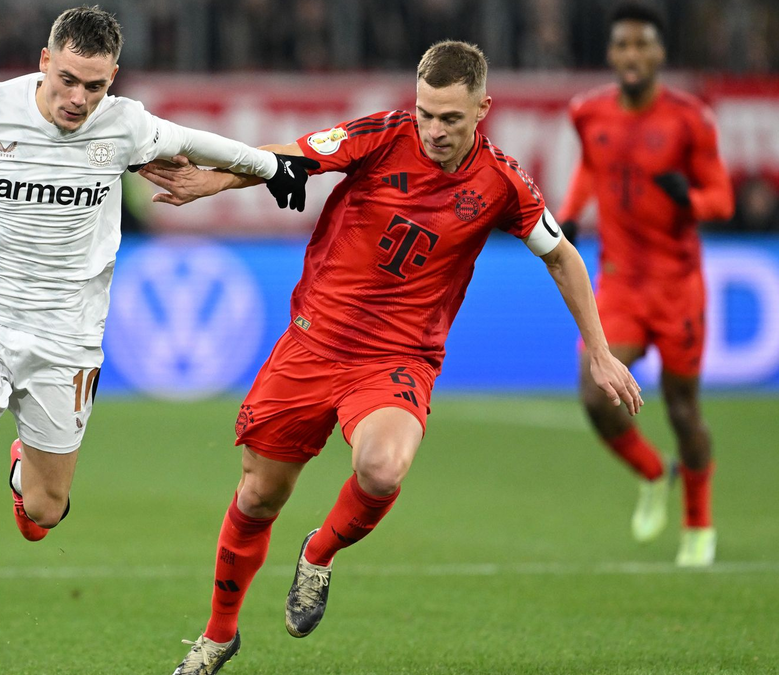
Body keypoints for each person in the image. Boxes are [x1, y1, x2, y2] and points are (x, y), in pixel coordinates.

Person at [137, 40, 644, 674]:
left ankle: (318, 555)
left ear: (483, 109)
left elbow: (562, 255)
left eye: (451, 118)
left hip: (398, 358)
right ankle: (218, 636)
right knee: (259, 498)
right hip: (314, 342)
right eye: (426, 112)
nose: (433, 129)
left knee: (382, 468)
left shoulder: (502, 182)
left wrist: (597, 352)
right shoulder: (380, 134)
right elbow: (290, 160)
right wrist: (213, 180)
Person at [0, 5, 316, 631]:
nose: (78, 97)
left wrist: (270, 165)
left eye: (95, 85)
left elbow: (193, 141)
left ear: (113, 77)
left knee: (45, 509)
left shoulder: (123, 126)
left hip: (65, 335)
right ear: (44, 61)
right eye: (67, 78)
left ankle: (24, 473)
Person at [556, 2, 734, 567]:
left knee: (684, 411)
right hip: (620, 284)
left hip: (677, 288)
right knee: (593, 392)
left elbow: (723, 199)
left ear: (659, 53)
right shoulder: (588, 113)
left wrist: (692, 200)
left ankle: (698, 525)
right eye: (623, 46)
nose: (632, 55)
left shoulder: (690, 120)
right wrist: (570, 211)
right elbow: (590, 163)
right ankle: (655, 472)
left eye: (642, 45)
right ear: (612, 54)